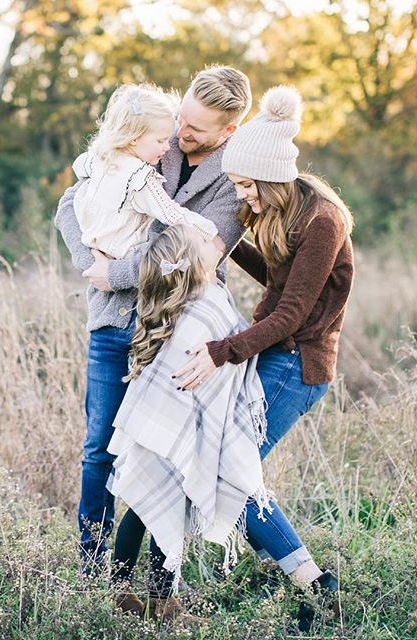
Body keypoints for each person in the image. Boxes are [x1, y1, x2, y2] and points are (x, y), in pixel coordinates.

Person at [55, 66, 253, 569]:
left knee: (165, 452)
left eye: (196, 129)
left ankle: (159, 574)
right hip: (111, 321)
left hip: (177, 328)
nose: (180, 135)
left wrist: (115, 271)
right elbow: (70, 203)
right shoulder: (150, 131)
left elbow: (202, 258)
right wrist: (89, 266)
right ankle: (92, 563)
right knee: (100, 446)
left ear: (228, 132)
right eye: (182, 117)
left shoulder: (236, 175)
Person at [173, 85, 354, 629]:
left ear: (274, 178)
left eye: (248, 186)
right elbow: (276, 279)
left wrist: (220, 352)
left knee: (233, 475)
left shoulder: (322, 221)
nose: (243, 197)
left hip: (297, 365)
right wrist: (213, 240)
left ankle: (320, 590)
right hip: (271, 353)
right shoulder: (279, 211)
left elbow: (292, 313)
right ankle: (315, 585)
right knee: (234, 473)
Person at [106, 224, 272, 622]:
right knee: (156, 505)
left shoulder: (184, 302)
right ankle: (138, 596)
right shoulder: (205, 304)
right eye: (203, 242)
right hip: (169, 424)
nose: (213, 244)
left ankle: (142, 595)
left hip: (160, 425)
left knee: (153, 505)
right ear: (192, 261)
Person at [72, 83, 219, 261]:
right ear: (134, 138)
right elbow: (171, 213)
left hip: (92, 241)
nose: (167, 147)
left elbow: (78, 166)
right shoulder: (139, 178)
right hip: (125, 252)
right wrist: (209, 230)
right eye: (161, 141)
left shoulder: (100, 156)